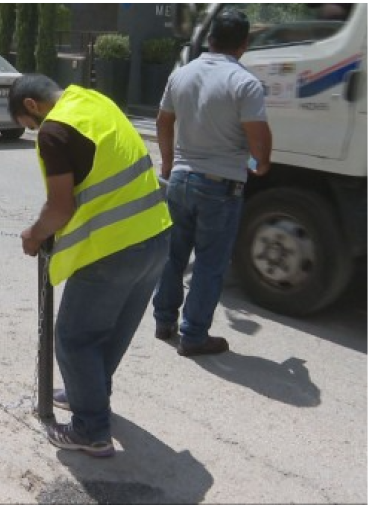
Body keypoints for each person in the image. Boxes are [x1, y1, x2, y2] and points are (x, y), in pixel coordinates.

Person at [8, 75, 172, 457]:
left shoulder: (54, 130)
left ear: (32, 105)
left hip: (112, 250)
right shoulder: (94, 101)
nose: (34, 131)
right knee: (108, 335)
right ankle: (89, 396)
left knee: (74, 338)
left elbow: (60, 207)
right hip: (156, 236)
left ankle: (91, 430)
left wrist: (34, 235)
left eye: (29, 125)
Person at [152, 8, 272, 357]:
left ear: (210, 39)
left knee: (173, 256)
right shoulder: (245, 83)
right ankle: (193, 335)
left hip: (180, 179)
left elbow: (163, 122)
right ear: (244, 44)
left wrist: (169, 164)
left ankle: (164, 321)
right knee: (209, 263)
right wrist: (256, 166)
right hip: (220, 187)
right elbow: (260, 148)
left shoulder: (181, 74)